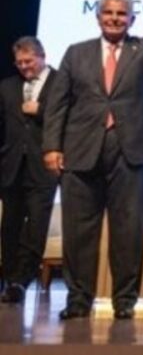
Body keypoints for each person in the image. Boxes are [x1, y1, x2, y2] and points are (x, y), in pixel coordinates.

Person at [41, 0, 143, 319]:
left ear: (132, 19)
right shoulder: (77, 52)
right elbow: (58, 104)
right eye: (109, 13)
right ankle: (78, 300)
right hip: (80, 150)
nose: (115, 18)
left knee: (129, 229)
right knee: (78, 231)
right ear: (98, 17)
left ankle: (124, 301)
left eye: (121, 13)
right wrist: (52, 146)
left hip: (131, 150)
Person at [0, 37, 59, 304]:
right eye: (19, 63)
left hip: (43, 166)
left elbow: (70, 118)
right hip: (12, 167)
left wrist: (41, 110)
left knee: (36, 225)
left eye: (29, 61)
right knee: (10, 226)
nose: (24, 66)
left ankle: (21, 280)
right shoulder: (7, 86)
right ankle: (10, 279)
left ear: (42, 56)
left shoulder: (61, 82)